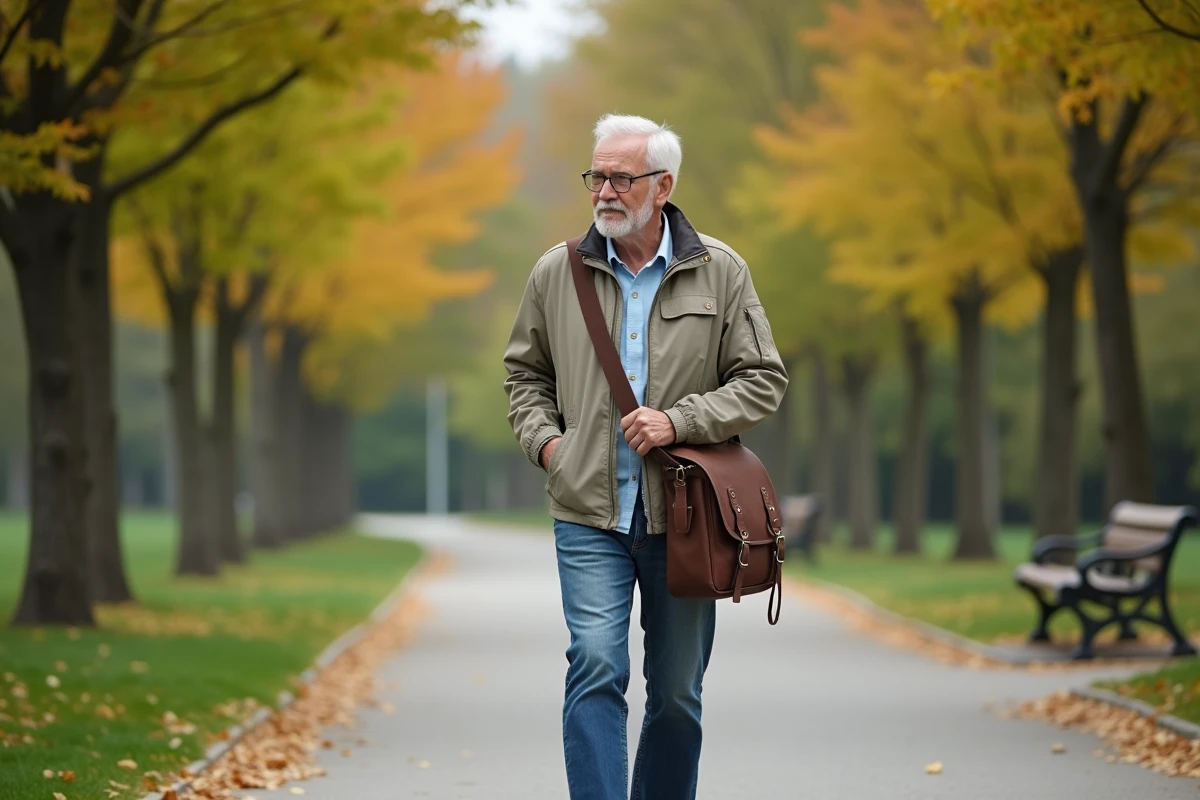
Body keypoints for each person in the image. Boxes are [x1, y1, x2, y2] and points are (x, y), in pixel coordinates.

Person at [502, 114, 788, 800]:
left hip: (687, 519)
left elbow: (762, 378)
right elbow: (524, 376)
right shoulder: (556, 271)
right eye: (595, 176)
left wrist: (678, 420)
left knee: (677, 695)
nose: (603, 191)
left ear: (662, 187)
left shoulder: (719, 272)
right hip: (587, 513)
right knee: (596, 664)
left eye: (619, 178)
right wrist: (548, 446)